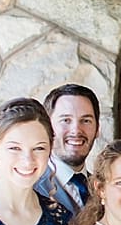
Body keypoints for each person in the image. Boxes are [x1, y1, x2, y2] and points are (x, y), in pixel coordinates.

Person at [37, 83, 100, 216]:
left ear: (97, 129)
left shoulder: (102, 189)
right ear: (47, 127)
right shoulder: (31, 189)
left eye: (86, 120)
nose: (76, 130)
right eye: (66, 120)